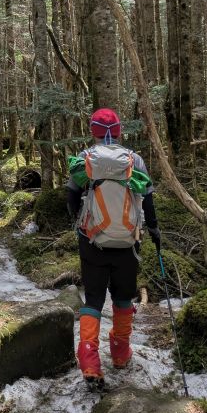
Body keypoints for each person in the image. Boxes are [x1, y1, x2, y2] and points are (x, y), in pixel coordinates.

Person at [66, 108, 161, 387]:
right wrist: (153, 229)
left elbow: (71, 194)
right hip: (127, 244)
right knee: (123, 299)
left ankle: (89, 360)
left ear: (93, 132)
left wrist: (78, 222)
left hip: (93, 241)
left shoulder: (85, 160)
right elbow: (148, 197)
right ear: (119, 131)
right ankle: (120, 354)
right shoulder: (134, 160)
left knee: (93, 299)